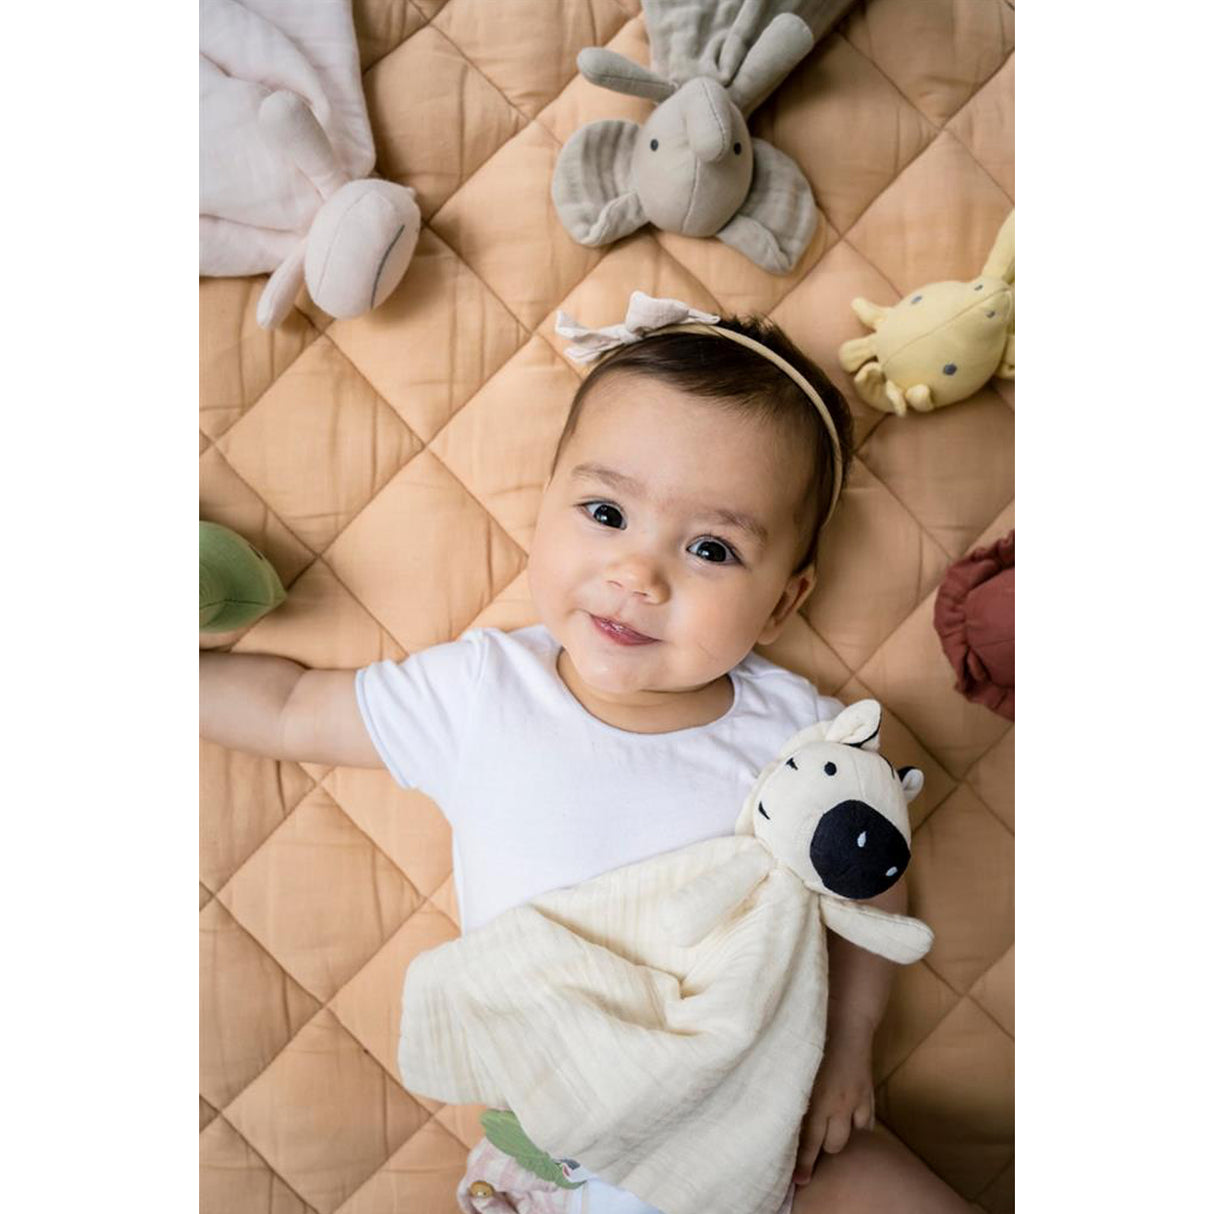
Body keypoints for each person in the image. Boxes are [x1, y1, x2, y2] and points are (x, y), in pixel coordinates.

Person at [200, 295, 968, 1214]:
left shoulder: (802, 737)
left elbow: (872, 883)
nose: (637, 574)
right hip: (575, 1152)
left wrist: (848, 1050)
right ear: (545, 507)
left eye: (712, 548)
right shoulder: (482, 694)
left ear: (782, 603)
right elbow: (289, 709)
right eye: (606, 512)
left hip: (767, 1130)